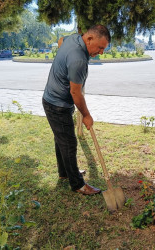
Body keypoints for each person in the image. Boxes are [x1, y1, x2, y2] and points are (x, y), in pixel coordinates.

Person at [42, 24, 110, 195]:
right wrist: (86, 115)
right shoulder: (79, 59)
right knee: (69, 143)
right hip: (58, 105)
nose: (101, 52)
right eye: (100, 47)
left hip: (50, 99)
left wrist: (64, 58)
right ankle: (78, 184)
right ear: (89, 38)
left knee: (61, 139)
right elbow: (75, 92)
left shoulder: (73, 38)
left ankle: (65, 173)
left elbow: (60, 41)